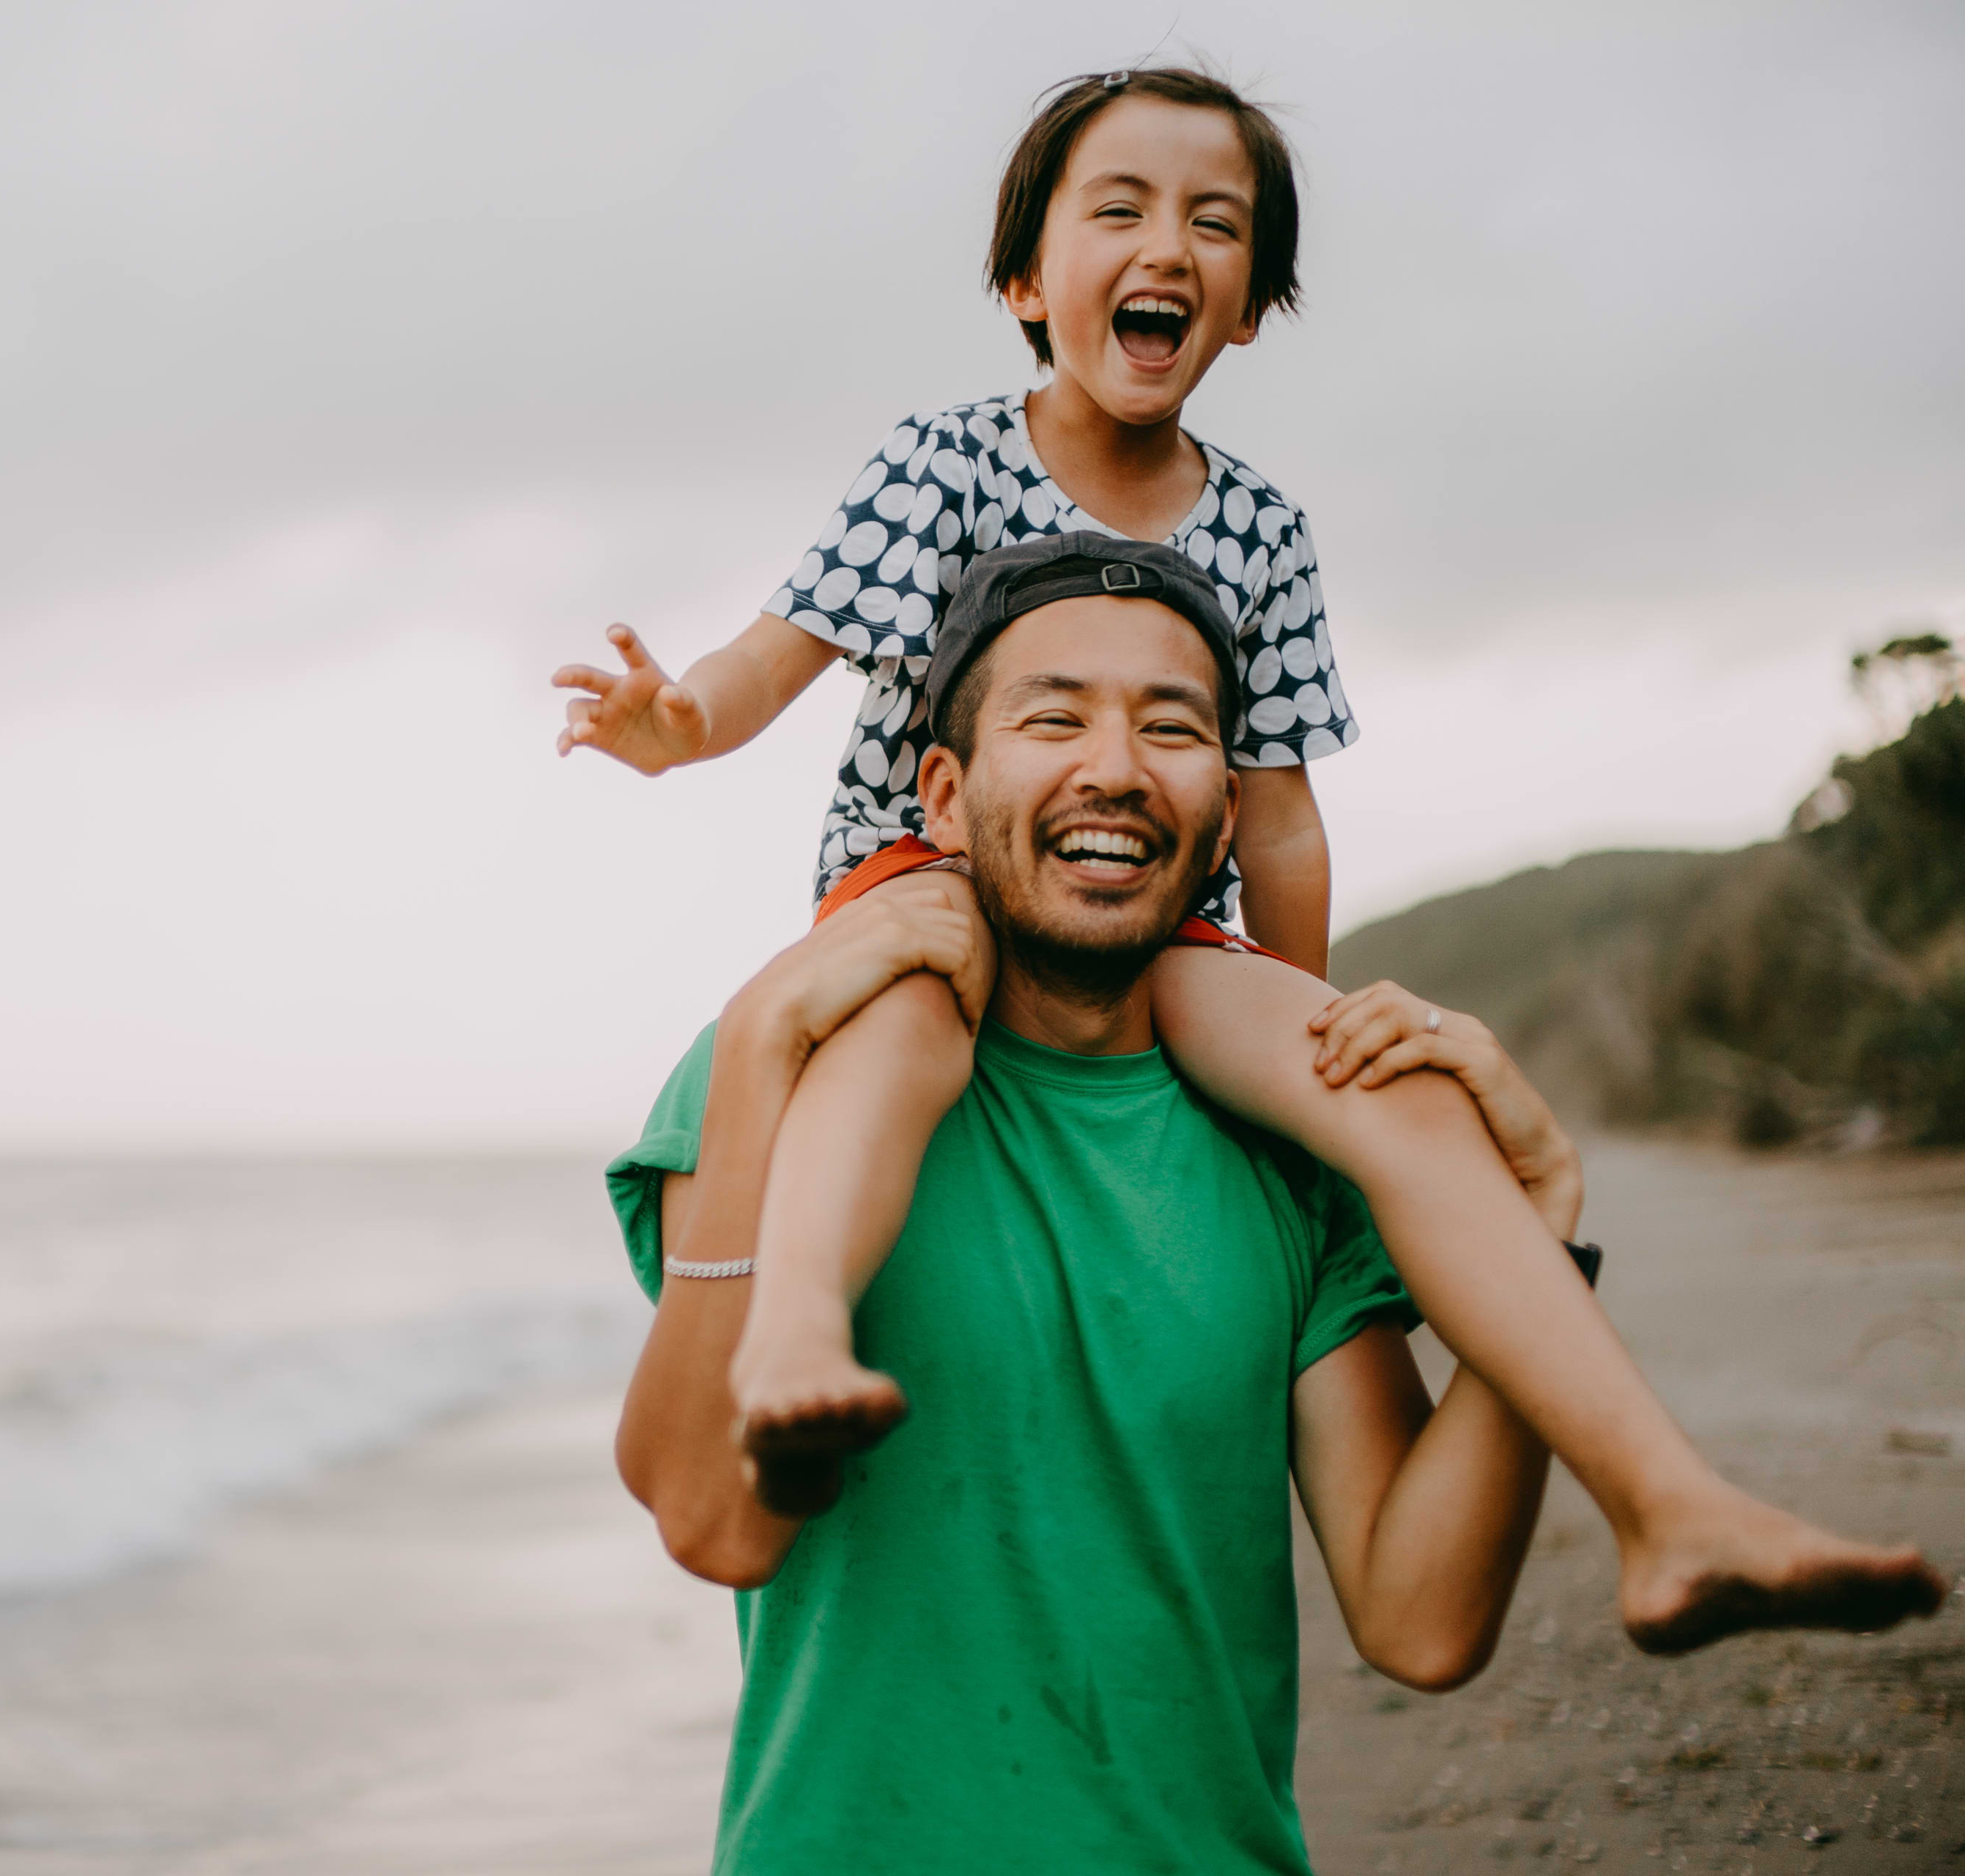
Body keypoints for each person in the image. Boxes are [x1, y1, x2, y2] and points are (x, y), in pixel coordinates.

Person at [559, 64, 1942, 1655]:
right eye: (1121, 209)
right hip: (920, 882)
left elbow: (1273, 813)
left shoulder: (1264, 529)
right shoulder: (940, 457)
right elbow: (773, 651)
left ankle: (1670, 1502)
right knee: (899, 1015)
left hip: (1170, 923)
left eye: (1214, 223)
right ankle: (796, 1326)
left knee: (1392, 1093)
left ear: (1248, 309)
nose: (1170, 242)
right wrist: (679, 724)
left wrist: (1311, 1029)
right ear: (1026, 278)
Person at [604, 555, 1944, 1871]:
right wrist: (763, 1042)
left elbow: (1422, 1618)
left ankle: (1679, 1510)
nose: (1117, 768)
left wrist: (1540, 1223)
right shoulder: (780, 1075)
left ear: (1225, 816)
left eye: (1173, 728)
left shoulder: (1297, 1147)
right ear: (942, 799)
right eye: (1055, 716)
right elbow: (712, 1526)